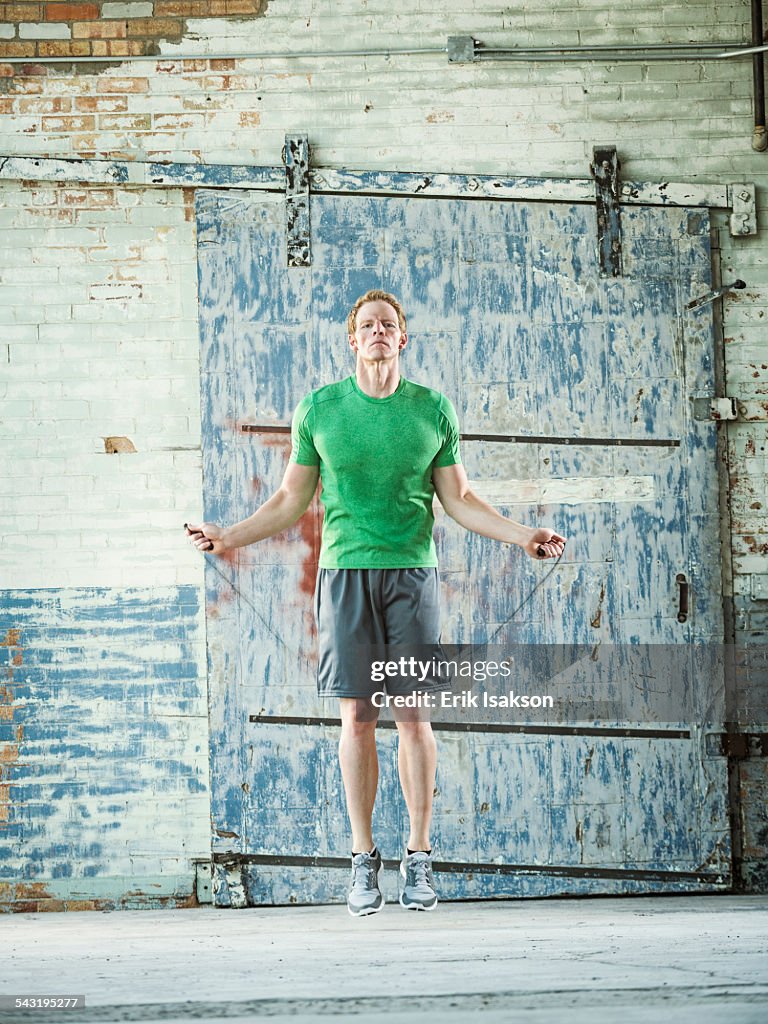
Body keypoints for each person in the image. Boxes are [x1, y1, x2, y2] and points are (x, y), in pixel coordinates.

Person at [186, 289, 566, 917]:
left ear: (403, 339)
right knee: (358, 718)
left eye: (389, 325)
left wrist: (525, 535)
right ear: (352, 340)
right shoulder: (320, 410)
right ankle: (364, 858)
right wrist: (227, 536)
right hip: (344, 578)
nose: (379, 333)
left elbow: (462, 500)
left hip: (412, 578)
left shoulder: (432, 410)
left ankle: (419, 856)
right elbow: (288, 500)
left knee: (413, 718)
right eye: (368, 326)